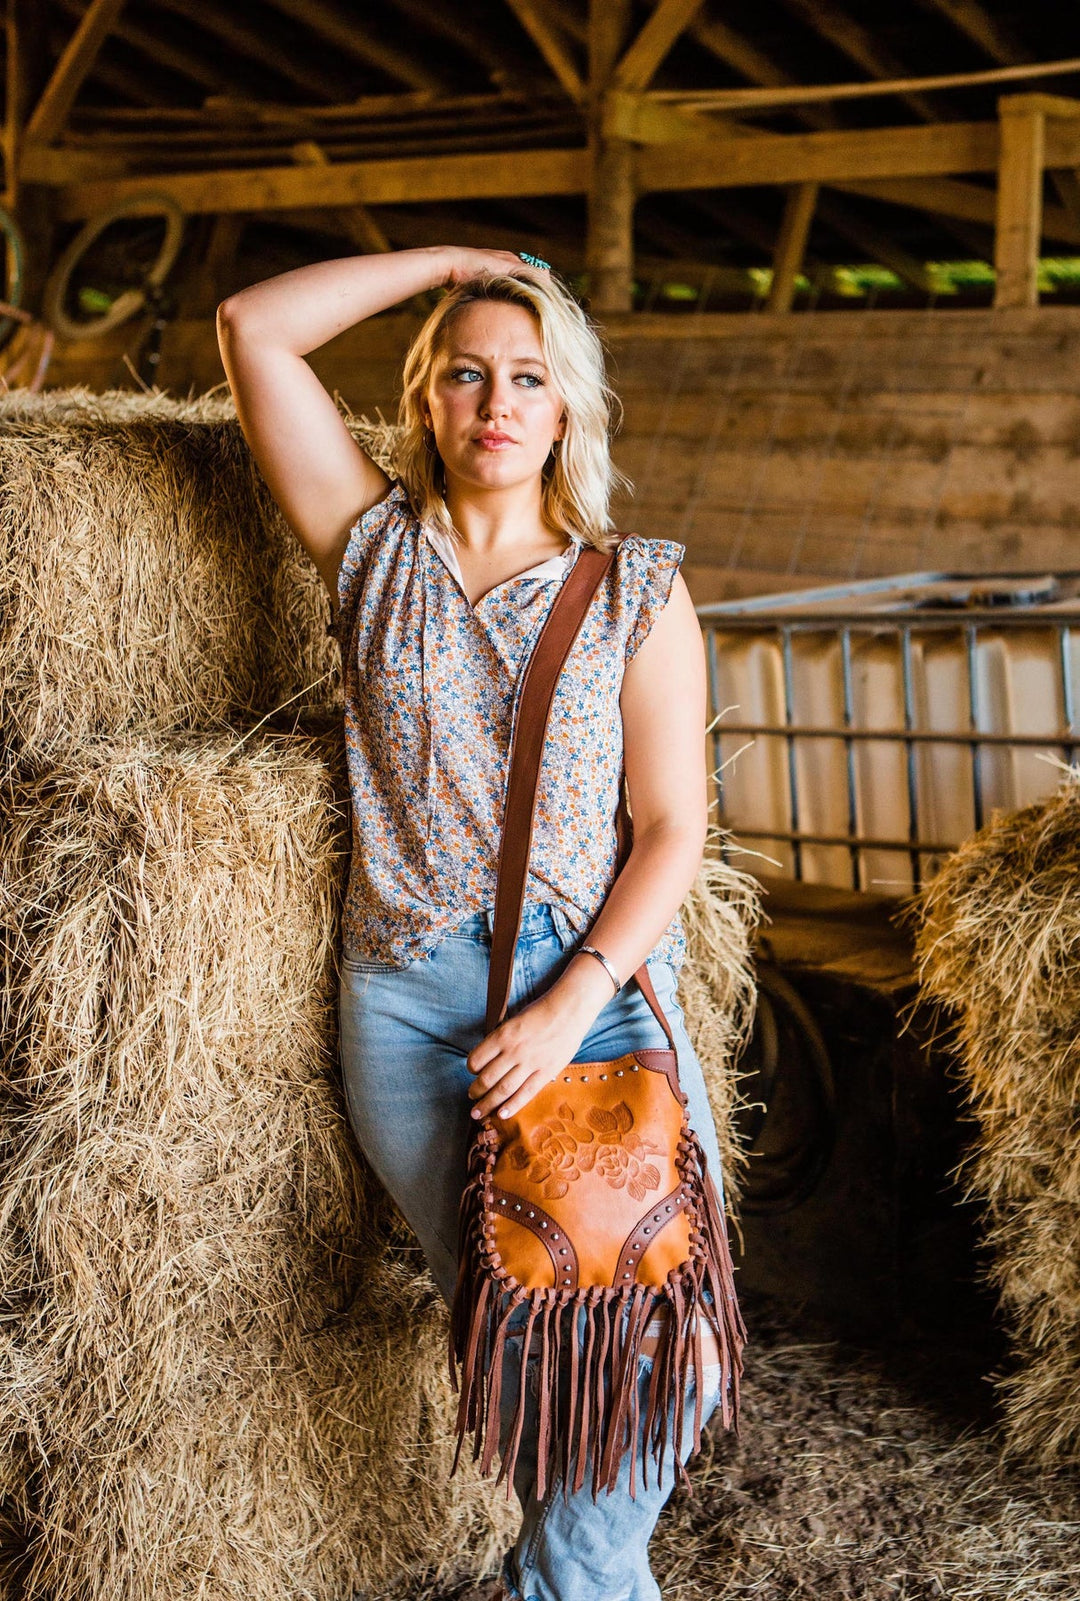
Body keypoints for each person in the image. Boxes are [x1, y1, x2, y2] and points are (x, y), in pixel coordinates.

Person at [217, 245, 740, 1601]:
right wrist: (454, 265)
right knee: (536, 1328)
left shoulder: (638, 587)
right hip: (412, 1010)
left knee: (663, 1356)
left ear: (566, 407)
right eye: (466, 373)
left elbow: (674, 827)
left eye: (527, 376)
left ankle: (561, 1586)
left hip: (603, 989)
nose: (496, 400)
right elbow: (253, 329)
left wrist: (567, 1003)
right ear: (428, 398)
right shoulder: (370, 547)